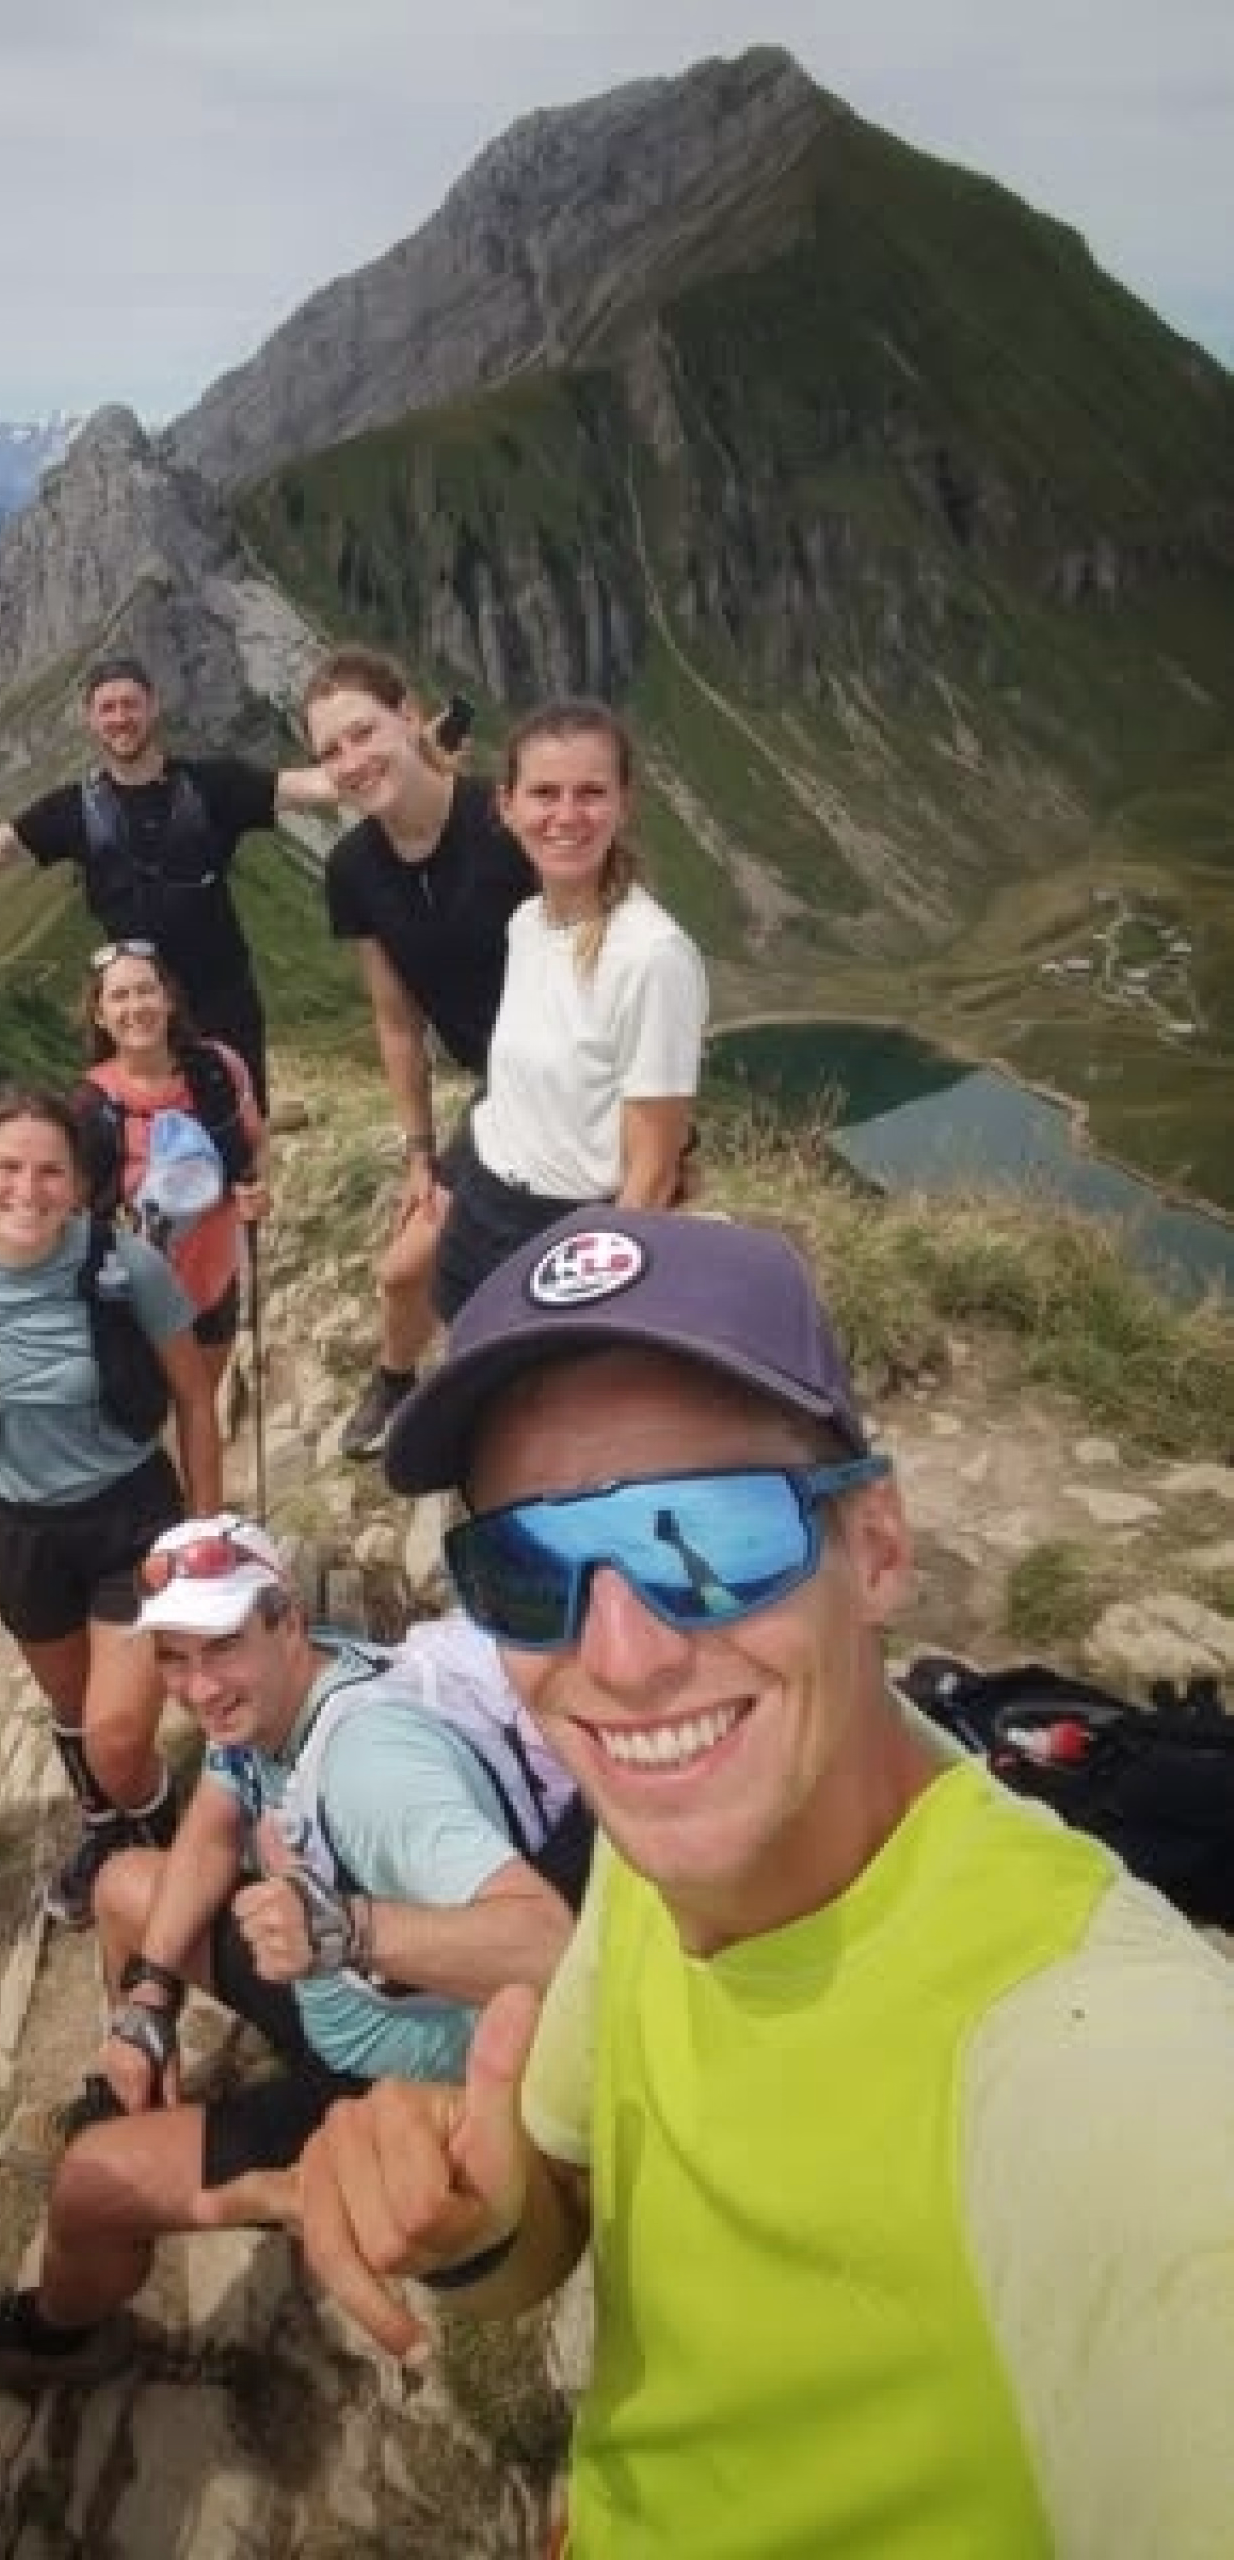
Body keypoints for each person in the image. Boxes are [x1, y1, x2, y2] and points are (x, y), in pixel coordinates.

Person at [296, 1208, 1234, 2556]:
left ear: (879, 1548)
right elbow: (556, 2210)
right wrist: (475, 2219)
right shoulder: (652, 1838)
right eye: (531, 1567)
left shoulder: (1091, 2056)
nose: (621, 1656)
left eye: (709, 1534)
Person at [0, 1513, 577, 2392]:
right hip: (327, 1988)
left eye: (220, 1646)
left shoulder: (372, 1771)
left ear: (287, 1622)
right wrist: (148, 1999)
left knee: (84, 2190)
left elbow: (549, 1945)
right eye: (173, 1658)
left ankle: (59, 2334)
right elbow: (212, 1826)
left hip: (391, 2081)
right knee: (121, 1889)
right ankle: (130, 2086)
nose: (197, 1688)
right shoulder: (288, 1688)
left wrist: (350, 1929)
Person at [0, 1084, 223, 1930]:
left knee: (114, 1734)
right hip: (22, 1531)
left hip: (130, 1515)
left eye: (49, 1172)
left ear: (77, 1185)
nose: (26, 1192)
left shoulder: (121, 1264)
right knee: (73, 1712)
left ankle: (172, 1856)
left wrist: (204, 1532)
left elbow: (194, 1396)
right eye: (6, 1169)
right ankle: (108, 1834)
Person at [0, 654, 342, 1107]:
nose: (121, 719)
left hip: (223, 1001)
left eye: (130, 704)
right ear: (89, 720)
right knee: (142, 1153)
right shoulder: (72, 812)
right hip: (135, 1012)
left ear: (153, 707)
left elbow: (309, 786)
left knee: (240, 1143)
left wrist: (397, 755)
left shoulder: (213, 786)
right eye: (107, 708)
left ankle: (240, 1222)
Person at [303, 647, 535, 1458]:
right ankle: (396, 1378)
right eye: (331, 751)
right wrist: (419, 1157)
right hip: (500, 1099)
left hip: (582, 1088)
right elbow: (396, 1021)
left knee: (501, 1275)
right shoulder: (353, 871)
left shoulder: (504, 819)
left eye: (363, 732)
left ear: (409, 716)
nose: (352, 761)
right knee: (404, 1273)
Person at [432, 701, 708, 1325]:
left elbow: (653, 1170)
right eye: (544, 793)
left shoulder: (651, 955)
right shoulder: (527, 922)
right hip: (483, 1199)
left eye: (590, 793)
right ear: (507, 806)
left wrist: (606, 1290)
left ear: (624, 803)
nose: (566, 816)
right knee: (468, 1362)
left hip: (569, 1230)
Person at [74, 939, 268, 1396]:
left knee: (199, 1406)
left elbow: (255, 1145)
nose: (135, 1007)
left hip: (213, 1281)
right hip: (134, 1300)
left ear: (167, 999)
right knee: (156, 1420)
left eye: (145, 990)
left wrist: (254, 1189)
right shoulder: (89, 1106)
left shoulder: (219, 1069)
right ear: (99, 1015)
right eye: (119, 997)